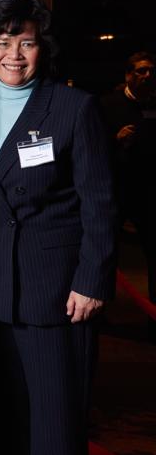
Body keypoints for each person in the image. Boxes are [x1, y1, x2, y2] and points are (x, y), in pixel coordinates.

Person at [0, 0, 117, 455]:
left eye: (26, 42)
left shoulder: (74, 108)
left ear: (42, 49)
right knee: (4, 418)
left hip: (58, 293)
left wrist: (92, 279)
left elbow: (100, 203)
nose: (14, 54)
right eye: (3, 42)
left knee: (56, 422)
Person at [101, 51, 156, 342]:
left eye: (151, 72)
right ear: (128, 75)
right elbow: (93, 147)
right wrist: (115, 140)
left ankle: (153, 317)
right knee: (105, 252)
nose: (147, 76)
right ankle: (100, 313)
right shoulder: (107, 105)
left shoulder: (154, 105)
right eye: (141, 71)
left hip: (148, 193)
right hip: (116, 190)